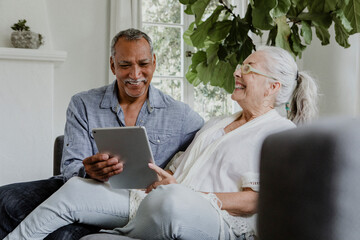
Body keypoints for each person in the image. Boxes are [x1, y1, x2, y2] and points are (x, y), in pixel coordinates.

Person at [4, 46, 318, 240]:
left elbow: (255, 200)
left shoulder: (278, 133)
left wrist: (188, 192)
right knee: (74, 190)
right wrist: (160, 177)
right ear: (113, 66)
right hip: (159, 197)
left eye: (247, 68)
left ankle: (128, 227)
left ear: (272, 87)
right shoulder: (218, 122)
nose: (237, 72)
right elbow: (183, 167)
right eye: (240, 66)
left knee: (171, 205)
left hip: (209, 216)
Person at [0, 28, 204, 240]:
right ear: (112, 65)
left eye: (143, 64)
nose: (135, 75)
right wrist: (88, 171)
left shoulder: (181, 115)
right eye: (125, 65)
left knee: (63, 234)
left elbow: (212, 146)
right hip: (79, 186)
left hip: (127, 202)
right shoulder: (83, 104)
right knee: (4, 199)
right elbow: (70, 168)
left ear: (153, 62)